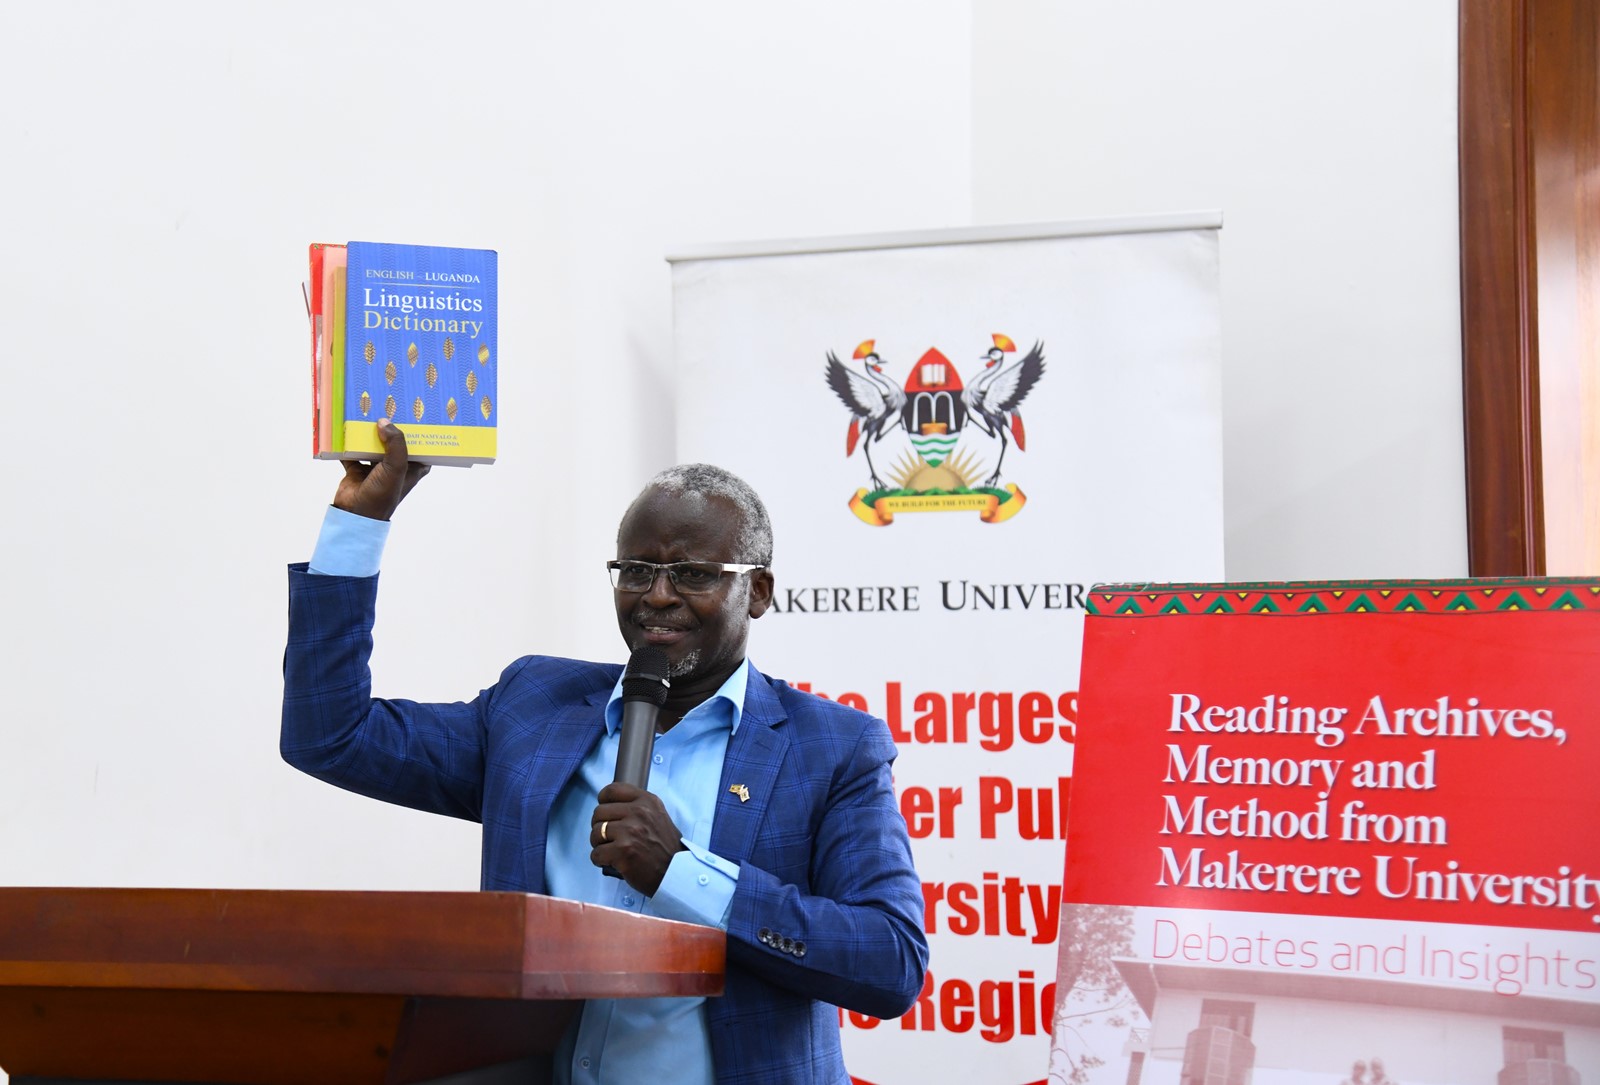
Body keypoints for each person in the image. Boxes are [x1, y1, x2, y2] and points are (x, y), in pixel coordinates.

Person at [280, 419, 928, 1085]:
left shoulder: (831, 748)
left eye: (693, 573)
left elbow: (889, 961)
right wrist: (358, 529)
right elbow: (330, 735)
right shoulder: (532, 708)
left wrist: (683, 873)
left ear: (757, 591)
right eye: (638, 569)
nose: (658, 594)